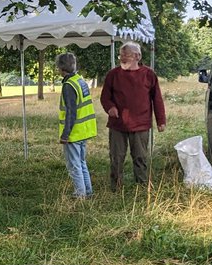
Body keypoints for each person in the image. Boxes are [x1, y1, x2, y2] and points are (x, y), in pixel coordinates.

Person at [100, 41, 166, 189]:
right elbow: (105, 97)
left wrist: (161, 121)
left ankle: (142, 186)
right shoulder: (113, 74)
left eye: (126, 55)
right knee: (116, 157)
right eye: (121, 55)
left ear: (137, 56)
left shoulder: (148, 74)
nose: (122, 58)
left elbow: (157, 99)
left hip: (141, 124)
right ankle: (116, 187)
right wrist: (110, 107)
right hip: (118, 124)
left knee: (140, 157)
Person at [56, 52, 97, 198]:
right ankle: (88, 191)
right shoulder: (79, 80)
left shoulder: (68, 85)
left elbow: (71, 112)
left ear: (61, 68)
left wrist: (65, 134)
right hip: (83, 131)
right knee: (81, 162)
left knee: (74, 165)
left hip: (74, 133)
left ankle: (80, 194)